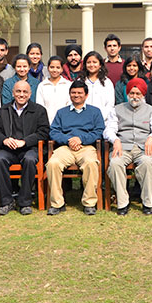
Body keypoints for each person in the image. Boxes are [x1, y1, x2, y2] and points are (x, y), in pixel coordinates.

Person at [104, 78, 152, 215]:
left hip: (143, 147)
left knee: (148, 163)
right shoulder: (117, 109)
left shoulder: (151, 110)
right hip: (122, 147)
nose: (135, 97)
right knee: (114, 164)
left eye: (138, 94)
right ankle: (122, 203)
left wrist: (151, 138)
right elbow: (109, 130)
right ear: (127, 94)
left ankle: (147, 203)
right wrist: (115, 140)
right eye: (132, 93)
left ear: (143, 95)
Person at [46, 80, 106, 216]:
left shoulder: (95, 112)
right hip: (66, 148)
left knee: (91, 163)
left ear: (86, 95)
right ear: (69, 94)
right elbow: (53, 132)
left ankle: (89, 203)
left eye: (80, 93)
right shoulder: (61, 112)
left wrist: (81, 139)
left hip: (86, 147)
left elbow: (99, 131)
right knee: (52, 164)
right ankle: (57, 204)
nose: (76, 95)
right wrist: (68, 140)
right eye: (73, 93)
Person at [0, 80, 50, 216]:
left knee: (30, 160)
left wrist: (25, 142)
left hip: (29, 149)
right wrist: (5, 140)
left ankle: (25, 202)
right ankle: (7, 201)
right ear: (13, 93)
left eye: (25, 92)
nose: (21, 94)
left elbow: (43, 132)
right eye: (18, 91)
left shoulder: (39, 110)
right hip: (8, 150)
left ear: (30, 94)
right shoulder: (4, 110)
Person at [35, 56, 72, 124]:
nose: (54, 70)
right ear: (48, 68)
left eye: (58, 67)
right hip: (46, 123)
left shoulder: (68, 85)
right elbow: (40, 106)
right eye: (52, 67)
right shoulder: (42, 86)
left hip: (64, 123)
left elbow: (70, 105)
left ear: (62, 69)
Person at [80, 51, 115, 116]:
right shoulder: (80, 81)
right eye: (88, 62)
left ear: (100, 65)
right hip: (82, 120)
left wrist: (100, 117)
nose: (91, 65)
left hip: (102, 119)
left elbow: (110, 104)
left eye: (94, 62)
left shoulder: (107, 82)